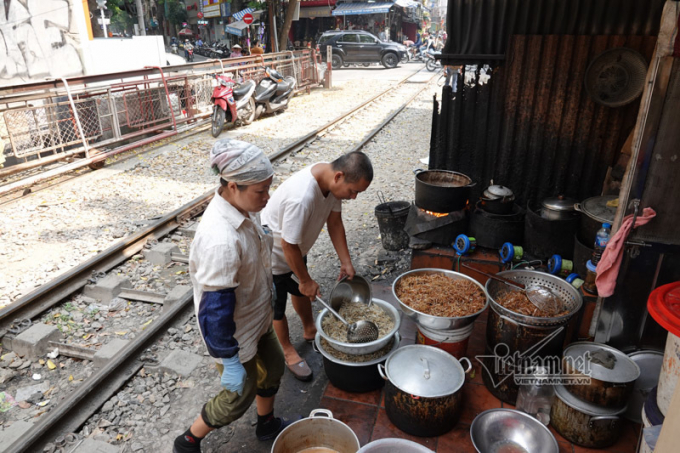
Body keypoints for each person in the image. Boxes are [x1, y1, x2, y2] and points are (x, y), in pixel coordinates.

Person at [173, 139, 299, 453]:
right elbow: (214, 310)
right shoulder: (220, 239)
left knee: (273, 368)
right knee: (236, 398)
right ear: (233, 186)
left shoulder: (246, 207)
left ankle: (266, 422)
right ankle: (188, 441)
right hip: (233, 333)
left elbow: (258, 260)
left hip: (257, 316)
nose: (267, 198)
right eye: (261, 191)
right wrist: (228, 358)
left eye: (269, 188)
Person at [261, 152, 373, 381]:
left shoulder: (330, 183)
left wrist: (346, 261)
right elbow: (287, 244)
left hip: (295, 249)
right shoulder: (301, 197)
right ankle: (288, 350)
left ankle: (310, 328)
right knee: (277, 305)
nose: (353, 198)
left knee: (302, 291)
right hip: (272, 257)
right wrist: (305, 280)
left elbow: (334, 222)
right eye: (354, 191)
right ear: (339, 176)